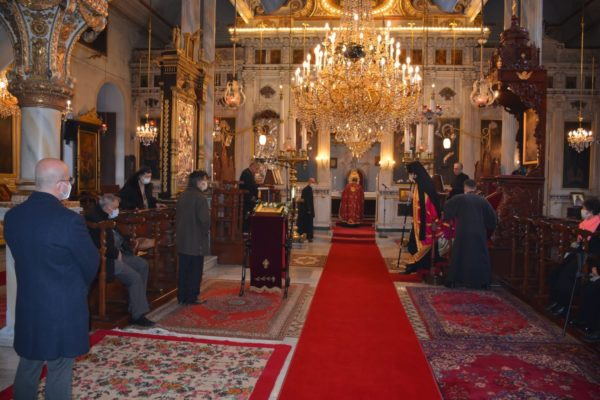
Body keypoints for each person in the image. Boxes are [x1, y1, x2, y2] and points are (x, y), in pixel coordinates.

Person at [4, 158, 99, 399]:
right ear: (60, 185)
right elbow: (91, 262)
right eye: (69, 180)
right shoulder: (69, 220)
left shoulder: (13, 217)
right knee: (60, 367)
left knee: (29, 362)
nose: (70, 184)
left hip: (29, 302)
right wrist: (78, 287)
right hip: (63, 306)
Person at [86, 194, 155, 327]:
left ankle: (136, 303)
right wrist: (116, 253)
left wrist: (130, 241)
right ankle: (137, 315)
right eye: (115, 208)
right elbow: (100, 245)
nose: (117, 210)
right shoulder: (95, 219)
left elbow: (118, 235)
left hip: (118, 254)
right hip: (105, 261)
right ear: (107, 207)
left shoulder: (106, 215)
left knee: (142, 265)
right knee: (134, 278)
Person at [547, 198, 600, 316]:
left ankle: (564, 306)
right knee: (558, 270)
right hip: (578, 253)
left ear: (591, 211)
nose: (582, 210)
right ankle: (556, 301)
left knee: (568, 274)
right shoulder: (584, 222)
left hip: (589, 258)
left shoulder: (598, 225)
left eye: (584, 208)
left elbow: (596, 247)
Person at [442, 179, 498, 288]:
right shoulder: (483, 201)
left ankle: (452, 281)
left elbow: (447, 209)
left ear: (465, 188)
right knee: (480, 256)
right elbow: (492, 219)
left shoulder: (459, 198)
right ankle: (484, 283)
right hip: (479, 233)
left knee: (459, 254)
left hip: (462, 232)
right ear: (475, 188)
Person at [176, 170, 211, 305]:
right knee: (195, 271)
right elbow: (205, 221)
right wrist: (206, 230)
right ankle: (192, 297)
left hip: (183, 239)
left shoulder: (182, 195)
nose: (206, 182)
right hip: (196, 240)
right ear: (198, 181)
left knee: (183, 269)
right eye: (205, 179)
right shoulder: (200, 198)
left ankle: (182, 296)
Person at [403, 161, 443, 274]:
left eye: (411, 174)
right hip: (418, 222)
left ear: (415, 174)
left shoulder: (425, 184)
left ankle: (417, 266)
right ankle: (416, 266)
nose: (410, 176)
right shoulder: (418, 184)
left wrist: (413, 197)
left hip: (425, 223)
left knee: (420, 245)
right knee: (412, 245)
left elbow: (428, 202)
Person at [239, 161, 260, 232]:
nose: (257, 171)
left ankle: (249, 229)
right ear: (252, 166)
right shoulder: (246, 173)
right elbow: (248, 187)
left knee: (250, 214)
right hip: (247, 199)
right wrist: (251, 196)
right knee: (247, 215)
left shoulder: (249, 173)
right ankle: (245, 230)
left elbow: (252, 185)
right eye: (256, 169)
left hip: (250, 198)